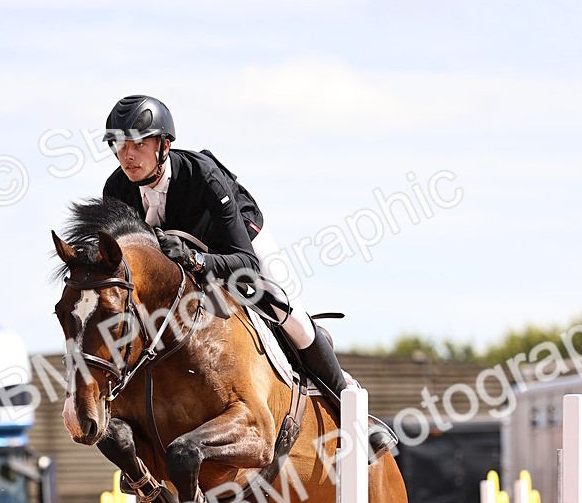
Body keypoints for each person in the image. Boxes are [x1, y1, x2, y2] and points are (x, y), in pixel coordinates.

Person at [101, 94, 397, 462]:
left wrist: (195, 258)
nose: (127, 155)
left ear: (164, 145)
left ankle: (355, 417)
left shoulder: (202, 175)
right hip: (178, 265)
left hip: (238, 244)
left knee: (289, 312)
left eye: (138, 144)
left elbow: (245, 262)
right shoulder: (116, 190)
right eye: (119, 145)